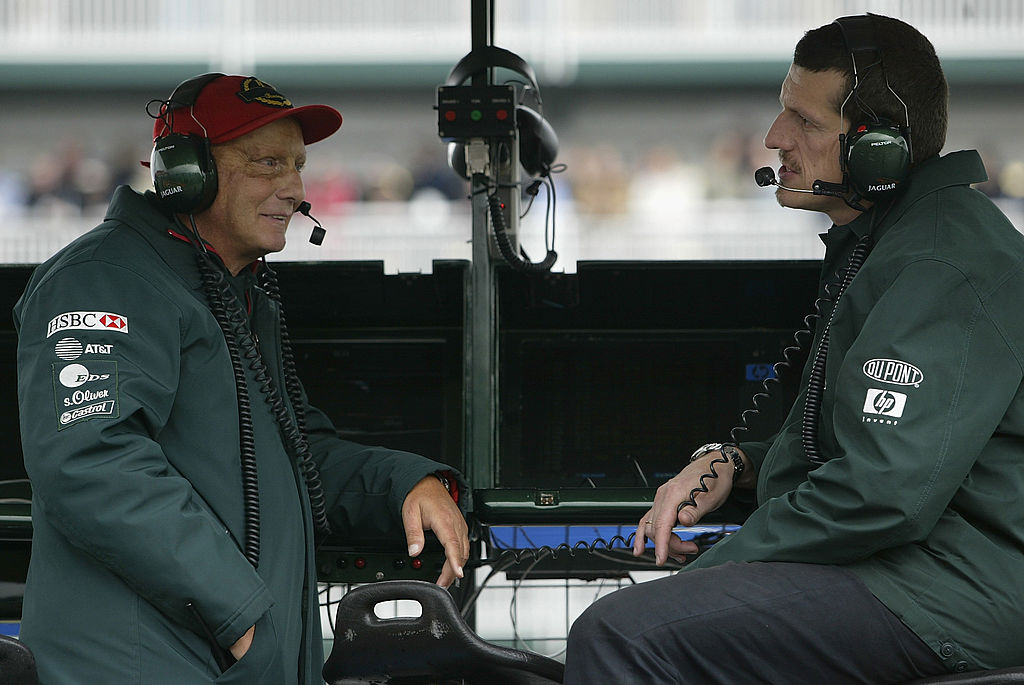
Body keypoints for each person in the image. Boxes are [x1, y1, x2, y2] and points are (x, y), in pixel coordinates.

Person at [565, 14, 1024, 684]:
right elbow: (867, 444)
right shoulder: (893, 243)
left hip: (950, 589)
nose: (776, 138)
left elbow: (881, 491)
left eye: (804, 122)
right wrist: (735, 464)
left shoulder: (938, 264)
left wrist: (725, 561)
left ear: (880, 150)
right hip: (916, 571)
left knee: (622, 635)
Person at [14, 73, 471, 685]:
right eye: (267, 164)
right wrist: (241, 617)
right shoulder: (104, 279)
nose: (293, 188)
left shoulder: (233, 293)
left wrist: (406, 483)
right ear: (185, 173)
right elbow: (93, 464)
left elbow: (294, 455)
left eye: (298, 166)